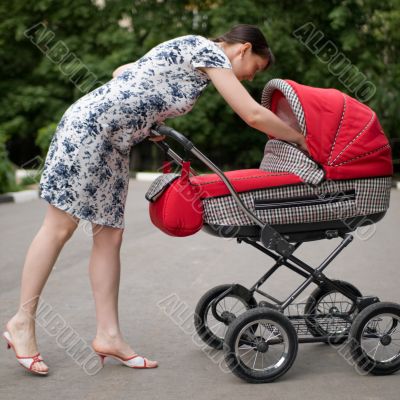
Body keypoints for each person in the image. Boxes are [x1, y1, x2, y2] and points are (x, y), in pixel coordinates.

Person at [3, 24, 308, 376]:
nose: (251, 78)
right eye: (255, 67)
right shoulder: (208, 51)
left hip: (114, 142)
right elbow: (253, 114)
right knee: (58, 228)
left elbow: (124, 72)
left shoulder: (189, 52)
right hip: (89, 130)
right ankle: (22, 321)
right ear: (243, 49)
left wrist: (146, 117)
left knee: (110, 235)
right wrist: (298, 138)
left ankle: (109, 335)